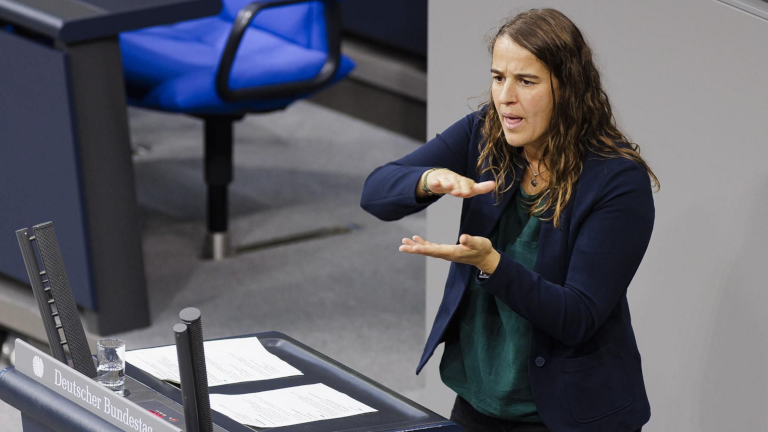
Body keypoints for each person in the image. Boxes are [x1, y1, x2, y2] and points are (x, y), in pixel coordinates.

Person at [360, 8, 659, 432]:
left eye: (526, 81)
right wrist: (428, 179)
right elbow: (376, 192)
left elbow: (576, 317)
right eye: (498, 77)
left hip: (569, 415)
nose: (505, 96)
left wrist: (491, 264)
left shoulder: (617, 181)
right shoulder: (484, 133)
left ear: (568, 88)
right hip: (480, 401)